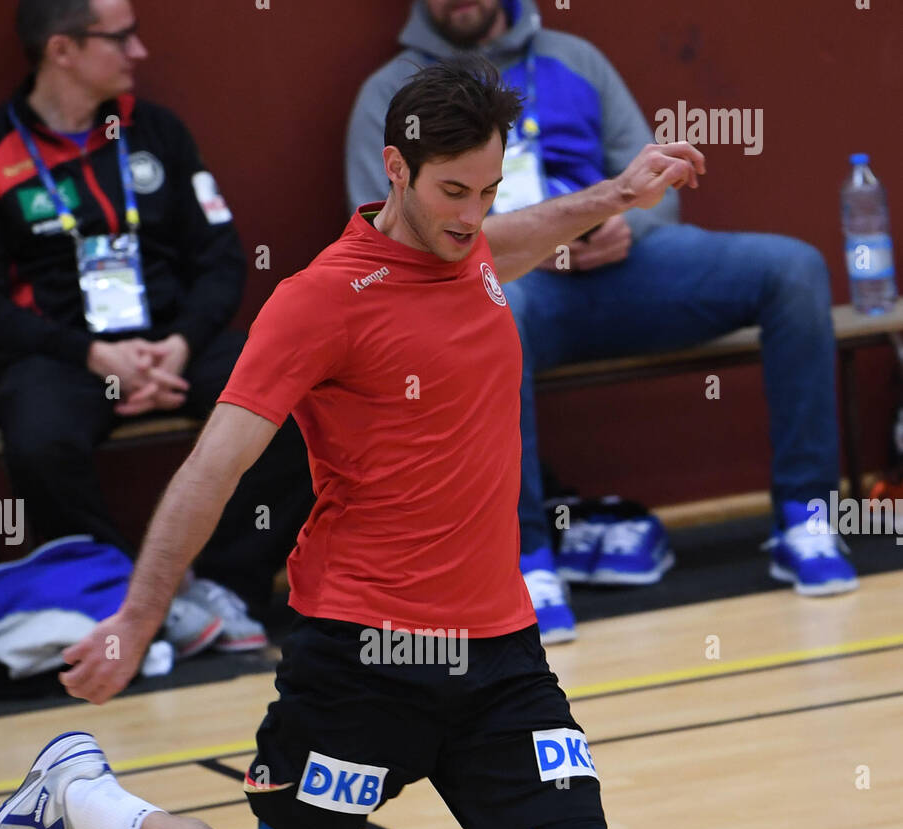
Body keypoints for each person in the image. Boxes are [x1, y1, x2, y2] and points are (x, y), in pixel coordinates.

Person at [0, 59, 756, 829]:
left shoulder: (476, 244)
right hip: (360, 665)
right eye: (451, 192)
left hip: (497, 656)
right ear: (391, 172)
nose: (471, 217)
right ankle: (82, 795)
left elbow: (519, 234)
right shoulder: (319, 301)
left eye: (486, 189)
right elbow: (211, 467)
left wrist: (619, 192)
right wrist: (140, 617)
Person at [346, 0, 858, 645]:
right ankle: (525, 563)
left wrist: (625, 222)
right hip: (509, 288)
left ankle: (805, 521)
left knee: (793, 269)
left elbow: (657, 187)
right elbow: (388, 238)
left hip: (625, 269)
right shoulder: (390, 94)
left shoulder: (575, 58)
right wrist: (526, 244)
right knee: (493, 307)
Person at [0, 0, 313, 657]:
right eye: (121, 37)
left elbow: (222, 258)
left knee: (301, 402)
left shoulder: (157, 131)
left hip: (174, 343)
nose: (138, 51)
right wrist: (93, 356)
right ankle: (122, 603)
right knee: (38, 437)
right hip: (63, 357)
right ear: (63, 50)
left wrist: (181, 343)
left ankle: (224, 588)